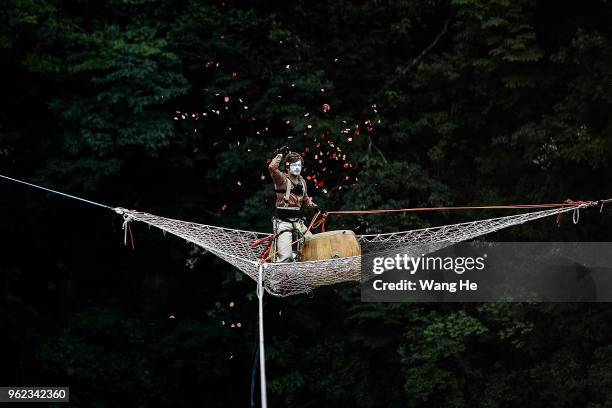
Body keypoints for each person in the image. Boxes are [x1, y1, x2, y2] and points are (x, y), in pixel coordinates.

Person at [268, 150, 322, 262]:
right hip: (283, 223)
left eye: (299, 165)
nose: (297, 168)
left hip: (298, 222)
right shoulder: (281, 179)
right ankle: (277, 278)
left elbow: (306, 199)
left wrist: (314, 206)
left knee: (312, 243)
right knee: (285, 256)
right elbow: (272, 168)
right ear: (288, 166)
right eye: (294, 165)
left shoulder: (302, 182)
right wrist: (279, 155)